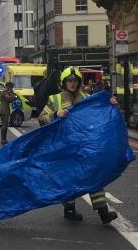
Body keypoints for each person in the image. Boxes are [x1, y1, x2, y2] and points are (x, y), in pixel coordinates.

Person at [38, 67, 118, 224]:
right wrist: (55, 114)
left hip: (84, 145)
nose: (72, 83)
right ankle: (69, 209)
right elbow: (41, 119)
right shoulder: (55, 99)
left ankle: (103, 212)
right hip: (64, 146)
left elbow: (99, 112)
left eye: (75, 80)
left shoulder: (87, 97)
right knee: (70, 177)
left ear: (79, 82)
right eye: (69, 80)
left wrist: (109, 103)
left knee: (94, 175)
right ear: (63, 82)